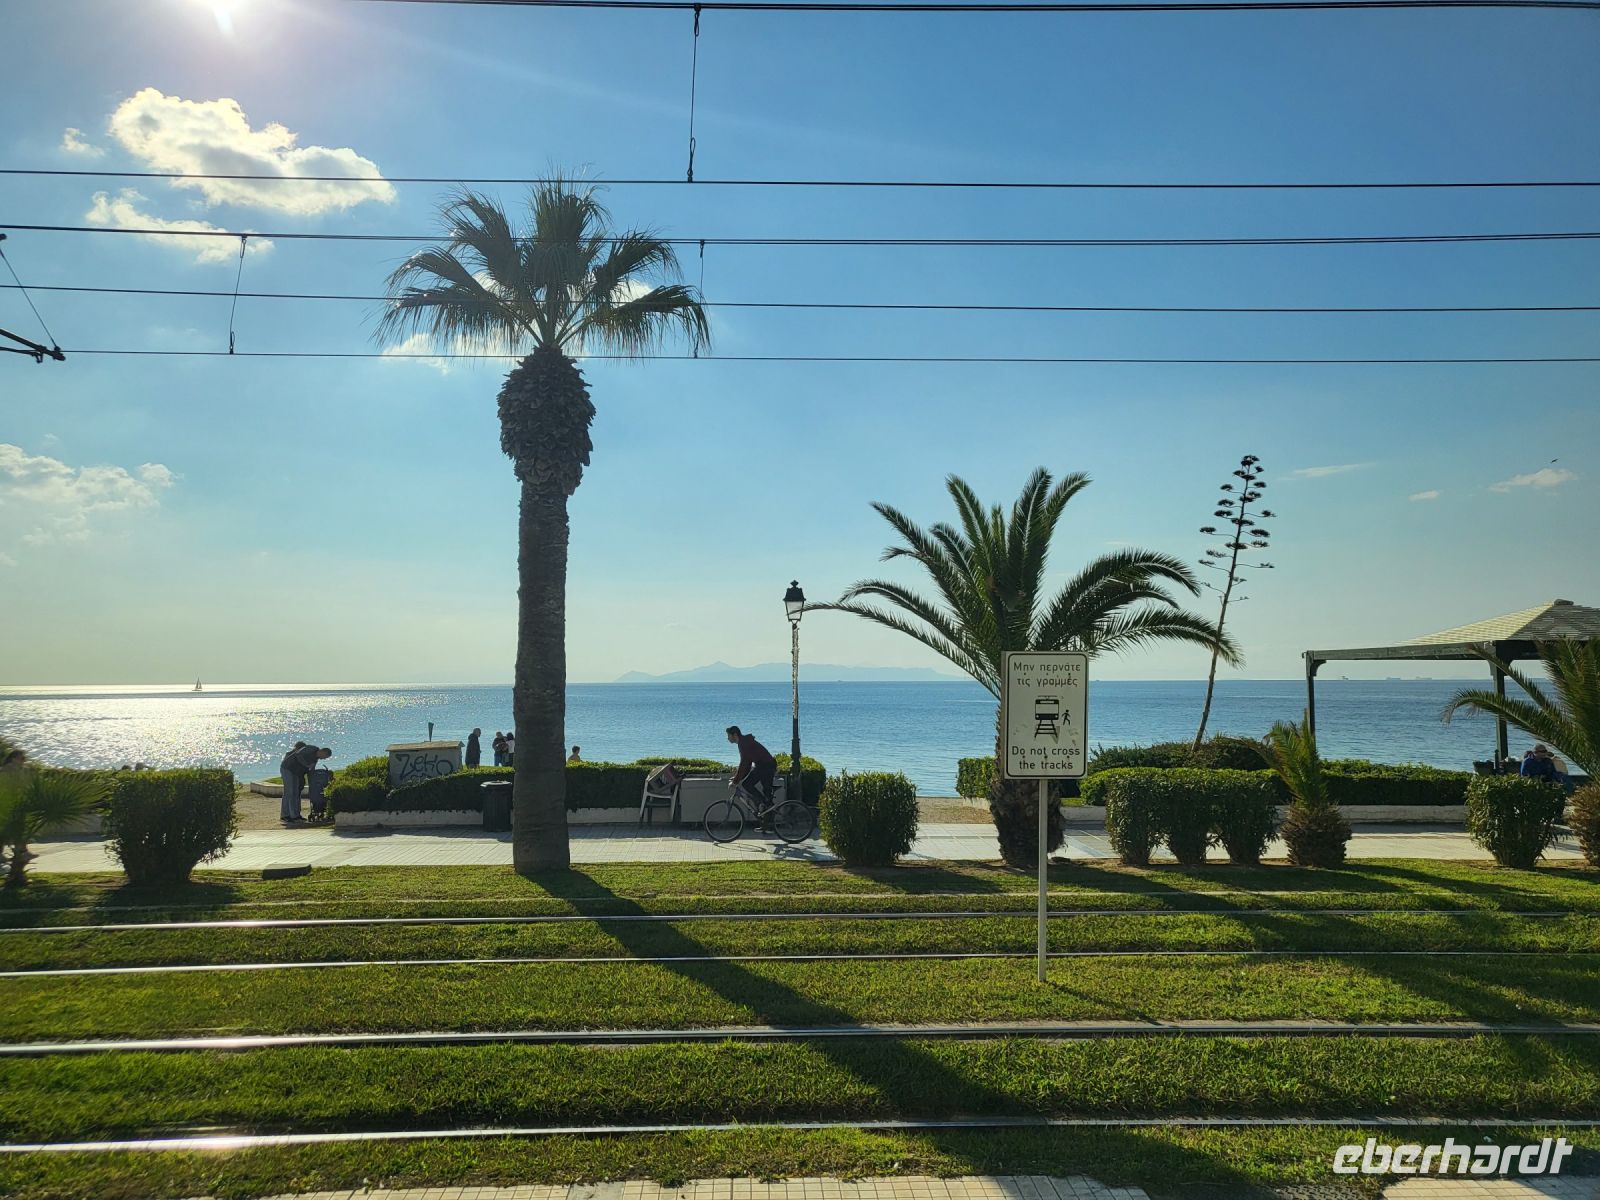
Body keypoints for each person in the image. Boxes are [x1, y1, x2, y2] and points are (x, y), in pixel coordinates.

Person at [726, 725, 777, 810]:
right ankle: (765, 806)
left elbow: (744, 764)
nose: (728, 738)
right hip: (765, 765)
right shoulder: (744, 742)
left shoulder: (743, 744)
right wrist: (737, 778)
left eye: (729, 736)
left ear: (735, 735)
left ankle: (763, 804)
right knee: (763, 793)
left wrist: (735, 781)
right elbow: (747, 766)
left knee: (747, 784)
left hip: (765, 766)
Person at [279, 742, 331, 823]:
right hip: (288, 768)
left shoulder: (315, 759)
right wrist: (306, 765)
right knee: (289, 792)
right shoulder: (311, 748)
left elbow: (311, 771)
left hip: (296, 773)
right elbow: (298, 754)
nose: (324, 759)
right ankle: (285, 815)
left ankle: (295, 815)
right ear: (323, 751)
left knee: (296, 793)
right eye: (325, 757)